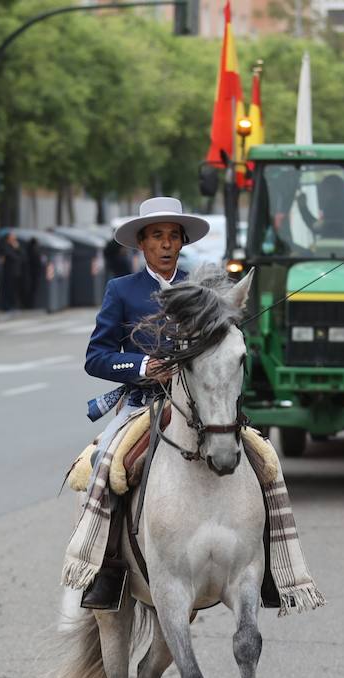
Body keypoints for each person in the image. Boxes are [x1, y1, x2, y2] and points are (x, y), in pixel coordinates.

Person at [78, 196, 209, 609]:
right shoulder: (122, 290)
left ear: (183, 242)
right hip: (141, 405)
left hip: (199, 408)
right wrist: (141, 365)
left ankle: (270, 568)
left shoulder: (200, 289)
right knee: (105, 465)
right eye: (157, 237)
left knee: (260, 460)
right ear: (142, 244)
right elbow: (95, 357)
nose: (166, 245)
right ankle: (105, 567)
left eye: (173, 236)